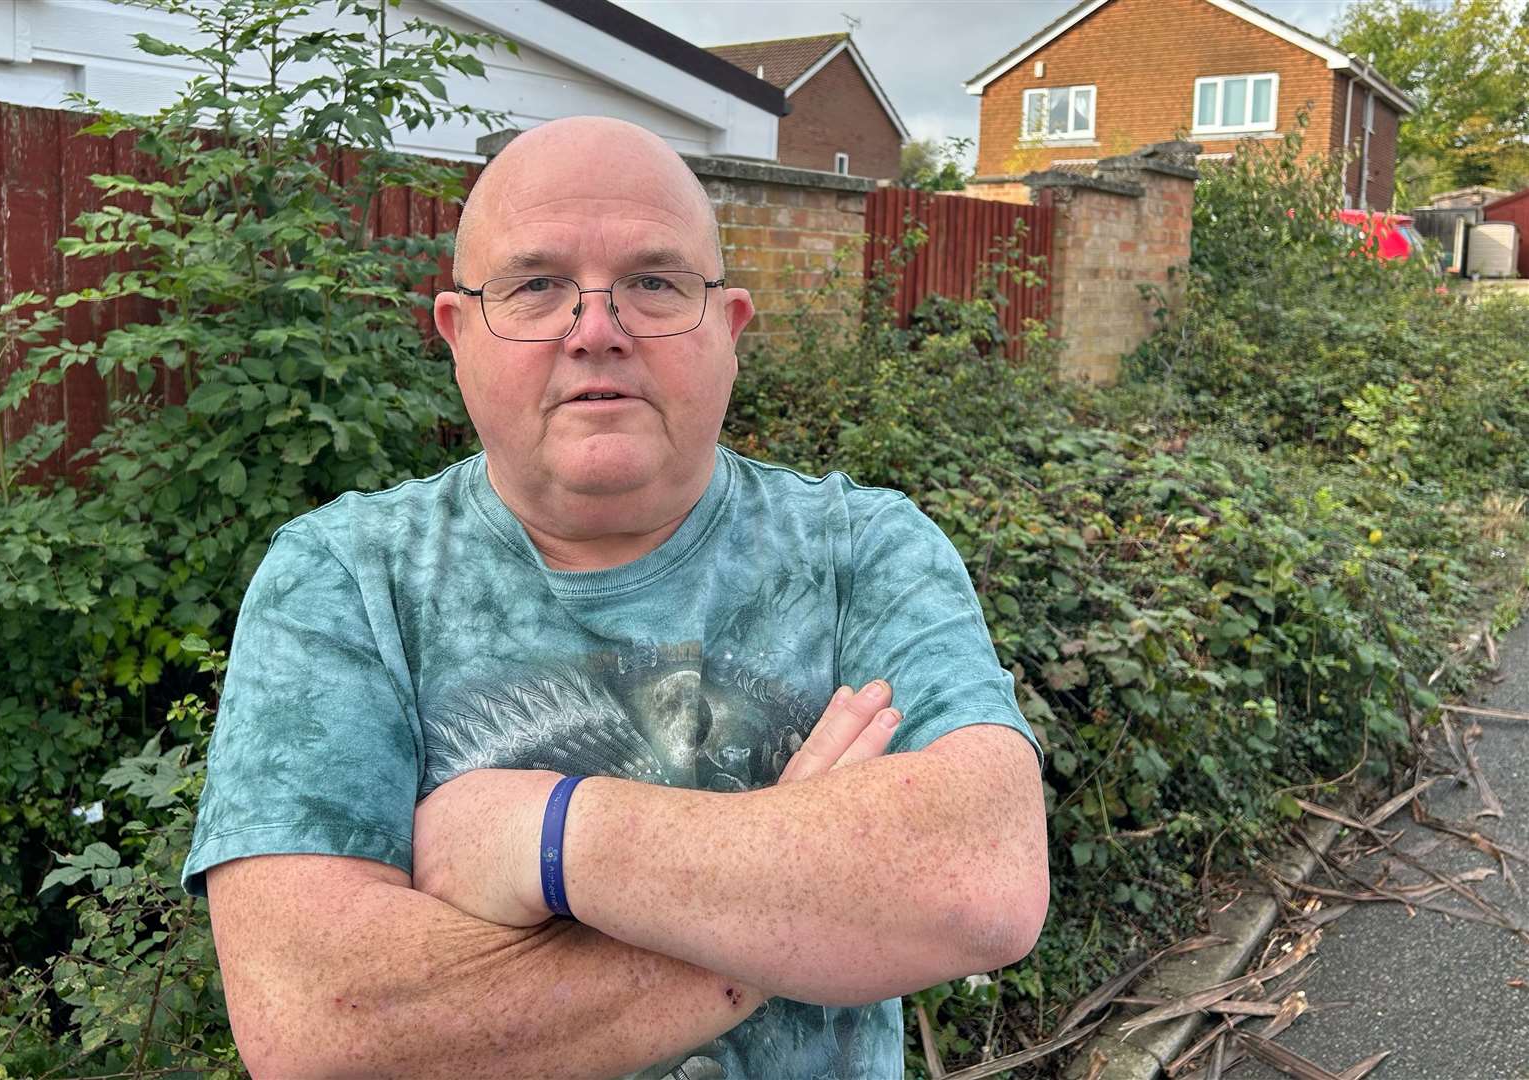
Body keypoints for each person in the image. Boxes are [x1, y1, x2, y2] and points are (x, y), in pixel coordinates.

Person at [183, 116, 1048, 1079]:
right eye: (537, 284)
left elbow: (978, 880)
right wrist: (791, 913)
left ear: (730, 329)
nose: (597, 331)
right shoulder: (343, 581)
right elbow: (319, 1024)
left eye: (653, 282)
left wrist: (545, 835)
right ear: (457, 332)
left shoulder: (861, 552)